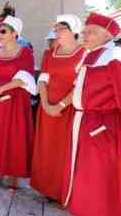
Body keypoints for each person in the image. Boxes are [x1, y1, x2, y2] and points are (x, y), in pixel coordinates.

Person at [63, 13, 121, 216]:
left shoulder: (117, 57)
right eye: (84, 31)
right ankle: (88, 214)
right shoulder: (96, 55)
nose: (83, 35)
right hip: (88, 121)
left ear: (106, 35)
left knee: (100, 176)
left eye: (89, 31)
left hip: (103, 126)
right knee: (85, 172)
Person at [0, 16, 36, 190]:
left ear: (15, 33)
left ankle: (14, 172)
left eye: (3, 31)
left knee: (13, 135)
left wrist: (0, 90)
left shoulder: (25, 53)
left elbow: (24, 77)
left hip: (15, 100)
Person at [30, 15, 85, 201]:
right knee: (48, 150)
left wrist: (60, 105)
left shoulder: (85, 53)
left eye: (61, 29)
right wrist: (46, 105)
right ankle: (48, 189)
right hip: (47, 110)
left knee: (66, 152)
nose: (57, 32)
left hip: (69, 110)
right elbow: (43, 80)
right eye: (56, 29)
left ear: (73, 31)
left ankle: (64, 192)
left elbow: (81, 85)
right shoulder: (49, 54)